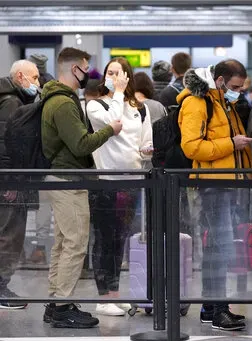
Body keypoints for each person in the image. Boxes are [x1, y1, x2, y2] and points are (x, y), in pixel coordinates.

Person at [41, 47, 122, 329]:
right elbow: (80, 144)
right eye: (85, 67)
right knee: (75, 244)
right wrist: (110, 130)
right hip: (67, 180)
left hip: (63, 178)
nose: (89, 73)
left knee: (64, 242)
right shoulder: (62, 103)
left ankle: (56, 302)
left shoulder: (57, 98)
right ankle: (62, 305)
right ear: (74, 69)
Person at [178, 60, 252, 331]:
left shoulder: (223, 101)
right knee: (221, 247)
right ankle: (218, 309)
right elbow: (191, 147)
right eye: (235, 86)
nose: (239, 92)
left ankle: (211, 308)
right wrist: (230, 144)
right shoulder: (197, 103)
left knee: (216, 248)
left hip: (224, 183)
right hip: (211, 184)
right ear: (220, 80)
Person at [87, 57, 153, 317]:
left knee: (120, 238)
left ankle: (114, 292)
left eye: (119, 73)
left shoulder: (140, 108)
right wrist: (117, 92)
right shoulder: (96, 105)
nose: (114, 76)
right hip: (105, 182)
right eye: (109, 72)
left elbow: (145, 142)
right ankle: (103, 297)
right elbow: (113, 122)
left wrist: (147, 151)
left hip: (132, 180)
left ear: (128, 75)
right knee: (104, 238)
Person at [0, 59, 40, 309]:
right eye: (34, 78)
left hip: (10, 178)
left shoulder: (12, 100)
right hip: (10, 181)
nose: (38, 82)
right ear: (20, 78)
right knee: (9, 234)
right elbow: (6, 145)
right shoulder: (11, 103)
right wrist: (11, 180)